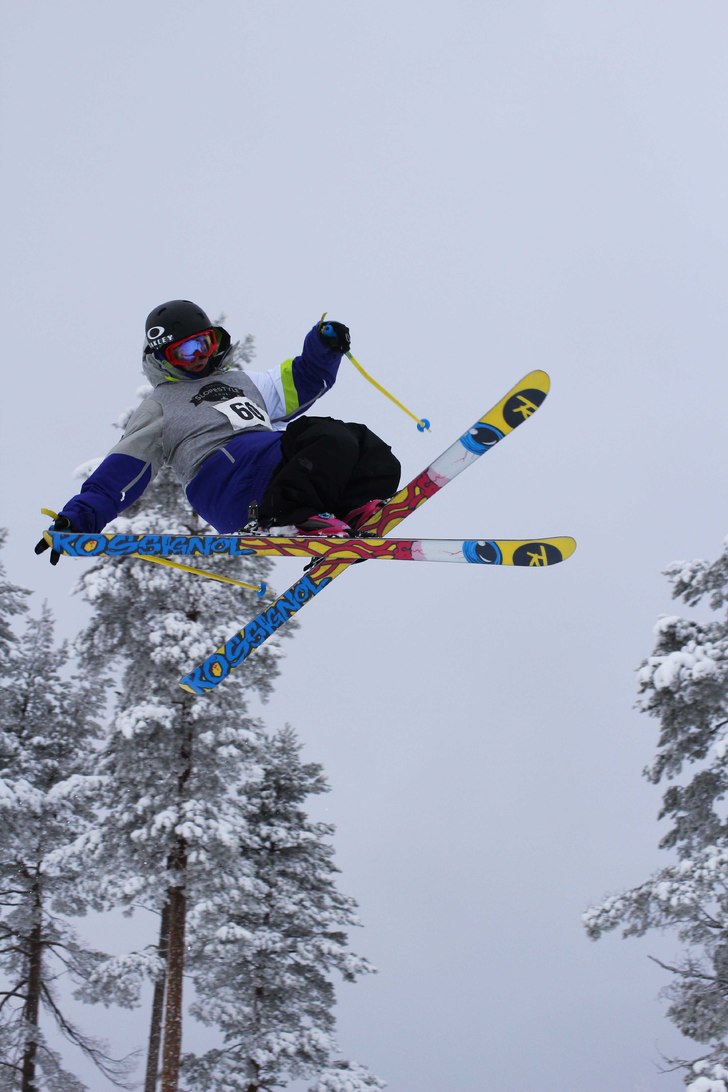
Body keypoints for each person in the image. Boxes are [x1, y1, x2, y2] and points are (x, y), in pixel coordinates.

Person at [35, 300, 401, 565]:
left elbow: (301, 382)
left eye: (204, 343)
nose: (197, 355)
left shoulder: (241, 381)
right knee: (321, 437)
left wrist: (323, 348)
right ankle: (291, 518)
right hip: (227, 483)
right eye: (185, 350)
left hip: (273, 467)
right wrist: (80, 516)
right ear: (164, 357)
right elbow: (122, 469)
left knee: (359, 442)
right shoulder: (160, 404)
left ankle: (353, 511)